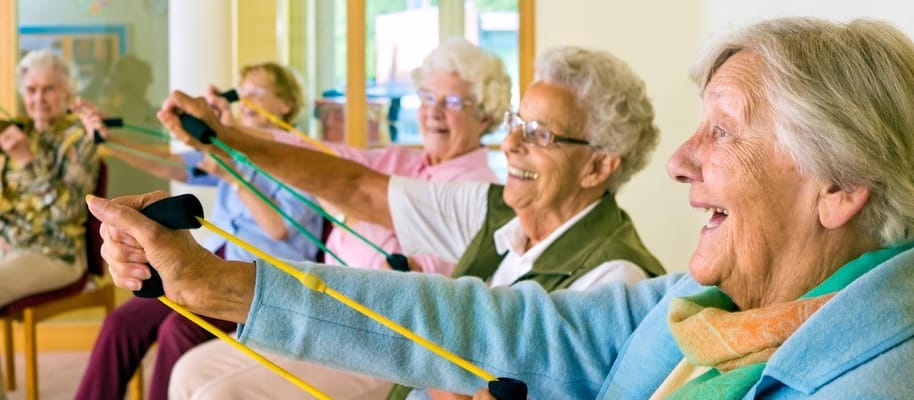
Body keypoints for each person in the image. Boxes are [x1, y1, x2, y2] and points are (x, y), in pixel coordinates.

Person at [113, 41, 666, 399]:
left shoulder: (617, 278)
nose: (514, 144)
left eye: (541, 135)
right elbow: (354, 183)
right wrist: (228, 138)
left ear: (599, 165)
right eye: (520, 123)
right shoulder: (496, 209)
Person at [169, 38, 513, 399]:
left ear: (485, 115)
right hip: (323, 315)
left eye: (453, 102)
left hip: (386, 341)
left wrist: (233, 136)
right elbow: (322, 158)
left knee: (221, 395)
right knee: (190, 371)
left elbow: (419, 284)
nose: (434, 111)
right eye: (428, 97)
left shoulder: (478, 190)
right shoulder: (403, 162)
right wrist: (229, 132)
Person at [72, 62, 324, 400]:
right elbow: (169, 164)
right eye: (243, 91)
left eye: (256, 92)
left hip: (264, 275)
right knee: (122, 324)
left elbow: (277, 229)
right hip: (215, 257)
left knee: (177, 330)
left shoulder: (304, 157)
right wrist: (110, 139)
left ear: (286, 104)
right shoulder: (234, 146)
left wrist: (233, 173)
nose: (245, 99)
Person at [0, 49, 99, 307]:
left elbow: (66, 211)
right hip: (9, 246)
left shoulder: (79, 141)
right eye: (31, 90)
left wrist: (27, 161)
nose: (39, 98)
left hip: (57, 253)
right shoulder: (17, 132)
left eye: (49, 89)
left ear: (67, 93)